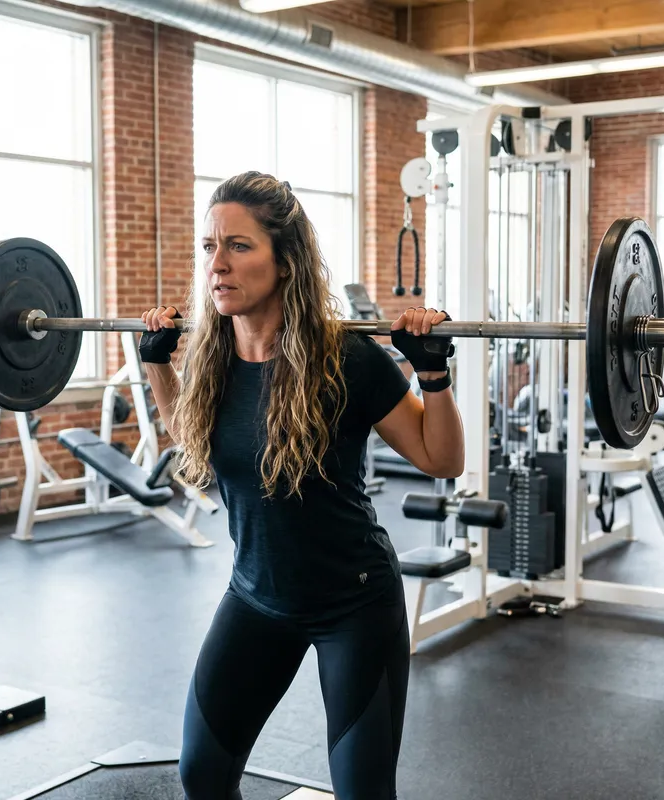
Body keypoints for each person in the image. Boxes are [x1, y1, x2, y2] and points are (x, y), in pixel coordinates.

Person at [140, 171, 465, 800]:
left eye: (239, 246)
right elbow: (198, 447)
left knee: (363, 793)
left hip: (355, 606)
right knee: (201, 775)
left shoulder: (347, 360)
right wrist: (157, 363)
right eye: (209, 247)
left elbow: (440, 459)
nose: (218, 265)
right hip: (257, 598)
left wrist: (432, 374)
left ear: (285, 261)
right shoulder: (210, 357)